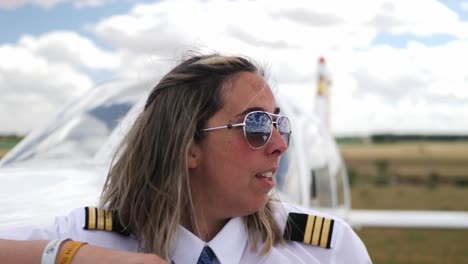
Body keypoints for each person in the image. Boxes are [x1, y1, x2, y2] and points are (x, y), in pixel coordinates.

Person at [0, 53, 372, 263]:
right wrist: (77, 258)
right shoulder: (91, 236)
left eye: (280, 125)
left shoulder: (327, 250)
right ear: (187, 147)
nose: (279, 144)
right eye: (256, 125)